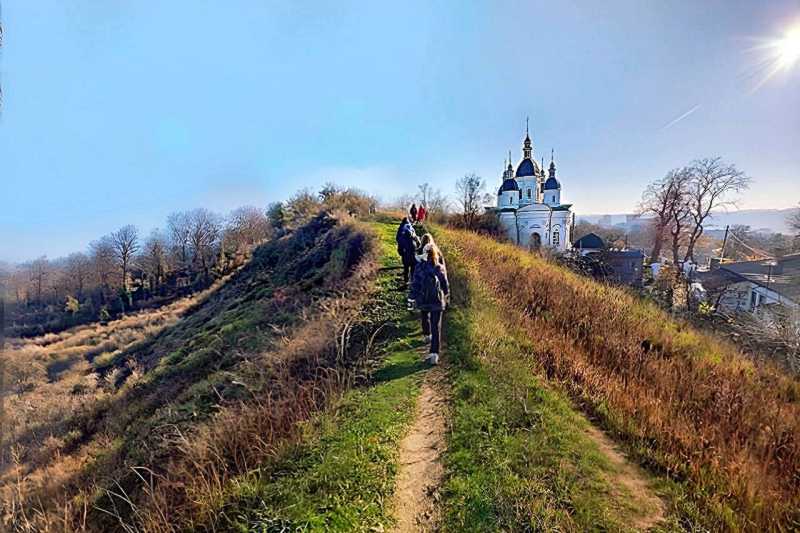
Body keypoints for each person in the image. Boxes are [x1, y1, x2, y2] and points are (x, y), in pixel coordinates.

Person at [409, 240, 449, 365]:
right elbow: (445, 285)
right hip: (437, 301)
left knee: (425, 317)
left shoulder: (419, 267)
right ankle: (434, 355)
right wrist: (446, 296)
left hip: (424, 300)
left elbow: (415, 285)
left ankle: (427, 336)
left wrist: (411, 299)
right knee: (436, 327)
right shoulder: (439, 268)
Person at [396, 217, 419, 286]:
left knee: (406, 267)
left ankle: (406, 281)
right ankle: (412, 281)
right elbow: (417, 240)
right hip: (413, 250)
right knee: (413, 267)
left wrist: (400, 252)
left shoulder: (401, 228)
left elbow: (399, 240)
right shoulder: (412, 228)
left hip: (406, 251)